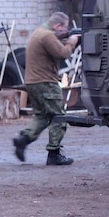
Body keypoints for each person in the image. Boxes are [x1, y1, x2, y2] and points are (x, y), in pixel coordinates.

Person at [12, 11, 80, 165]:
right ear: (57, 26)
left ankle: (23, 139)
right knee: (58, 116)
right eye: (65, 28)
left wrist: (66, 38)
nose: (65, 31)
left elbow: (54, 50)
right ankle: (54, 153)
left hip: (33, 82)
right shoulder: (47, 36)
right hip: (46, 82)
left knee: (42, 116)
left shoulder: (39, 33)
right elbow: (63, 53)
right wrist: (73, 40)